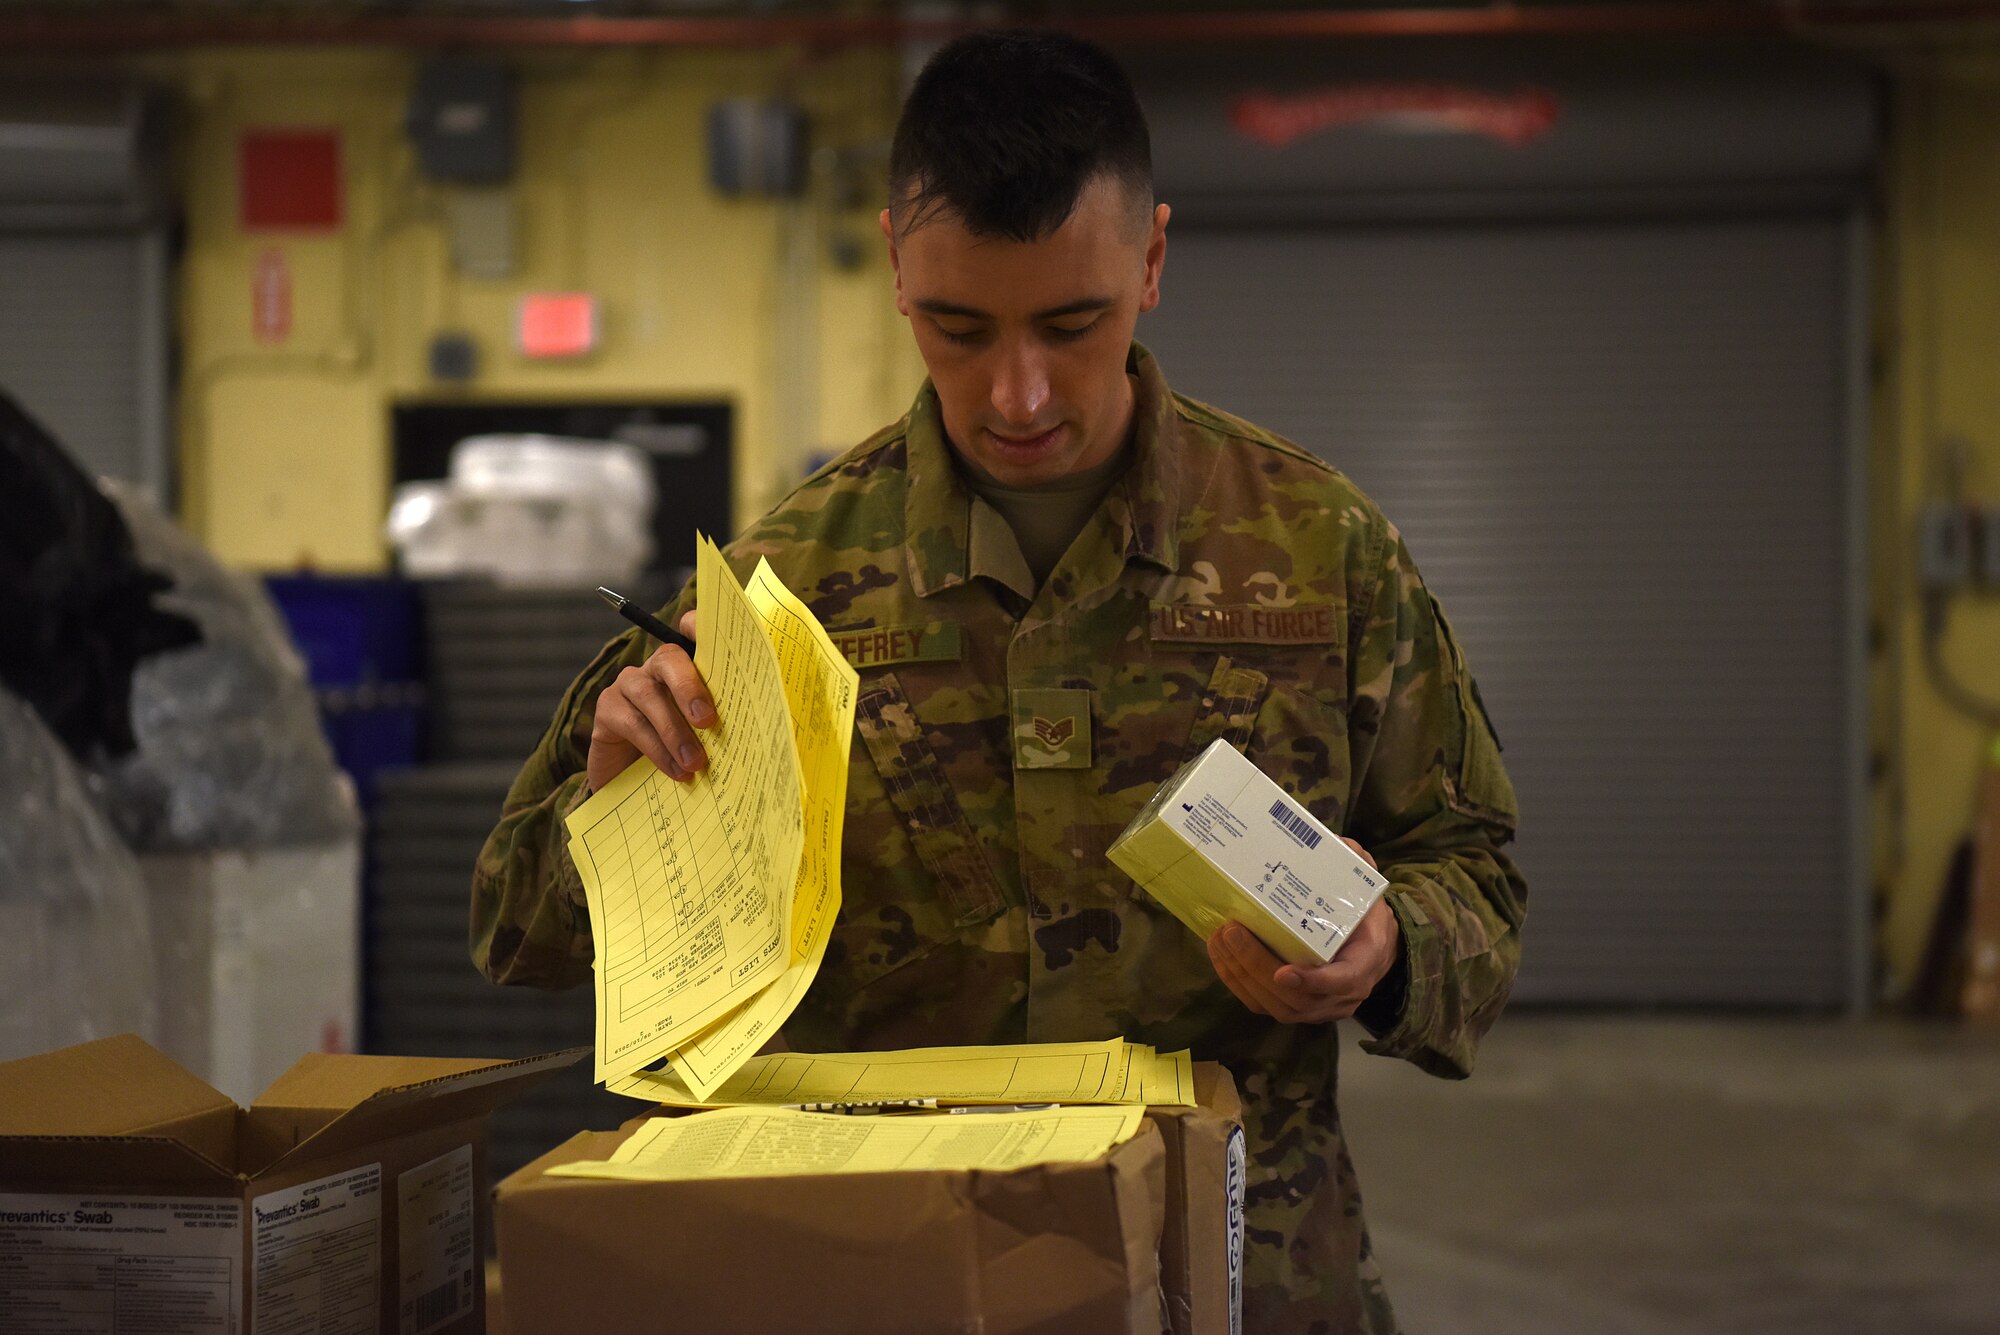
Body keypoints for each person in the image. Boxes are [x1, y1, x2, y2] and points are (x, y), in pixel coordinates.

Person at [471, 29, 1525, 1334]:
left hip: (1233, 1271)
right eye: (958, 329)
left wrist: (1387, 945)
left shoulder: (1323, 553)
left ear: (1149, 264)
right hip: (894, 1276)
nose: (1016, 393)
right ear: (898, 271)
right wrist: (617, 813)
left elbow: (1474, 870)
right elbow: (516, 934)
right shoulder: (777, 588)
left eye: (1069, 325)